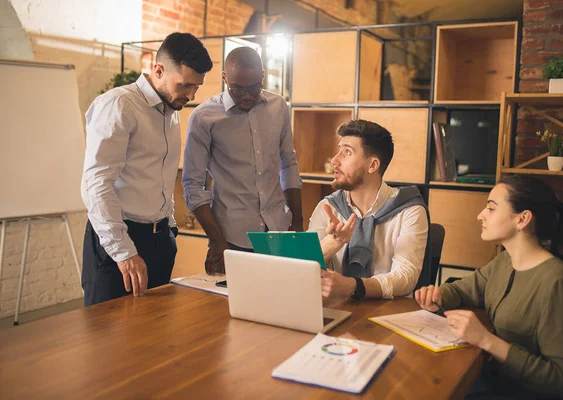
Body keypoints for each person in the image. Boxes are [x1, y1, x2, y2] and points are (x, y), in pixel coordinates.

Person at [415, 175, 563, 400]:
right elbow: (462, 290)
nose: (481, 215)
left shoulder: (558, 282)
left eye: (491, 208)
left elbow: (561, 381)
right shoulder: (505, 262)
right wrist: (437, 295)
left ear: (523, 219)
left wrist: (486, 340)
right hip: (494, 382)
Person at [81, 32, 213, 306]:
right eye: (185, 85)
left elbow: (160, 177)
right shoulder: (119, 105)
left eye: (196, 88)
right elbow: (97, 184)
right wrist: (124, 252)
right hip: (119, 242)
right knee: (108, 341)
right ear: (158, 69)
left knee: (151, 336)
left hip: (159, 241)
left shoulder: (171, 111)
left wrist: (170, 231)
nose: (191, 95)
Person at [182, 46, 303, 274]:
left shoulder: (278, 107)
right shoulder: (204, 117)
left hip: (280, 230)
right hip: (232, 238)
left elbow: (288, 163)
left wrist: (297, 221)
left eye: (254, 88)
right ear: (225, 78)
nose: (247, 96)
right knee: (231, 309)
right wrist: (217, 240)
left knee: (281, 303)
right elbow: (192, 184)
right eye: (237, 89)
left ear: (263, 76)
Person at [308, 119, 429, 300]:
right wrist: (332, 242)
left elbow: (405, 277)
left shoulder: (409, 210)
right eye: (338, 151)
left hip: (390, 313)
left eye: (347, 152)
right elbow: (303, 270)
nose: (334, 160)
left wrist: (352, 286)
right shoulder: (328, 208)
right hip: (339, 309)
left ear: (372, 165)